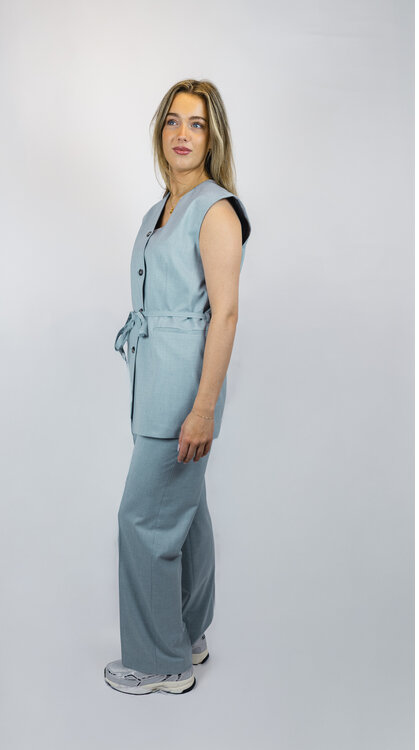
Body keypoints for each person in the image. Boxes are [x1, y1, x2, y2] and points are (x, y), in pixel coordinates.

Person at [104, 79, 252, 695]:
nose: (182, 134)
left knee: (142, 518)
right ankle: (187, 635)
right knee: (184, 515)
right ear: (160, 132)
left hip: (184, 391)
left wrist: (203, 409)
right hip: (155, 382)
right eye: (173, 121)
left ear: (212, 137)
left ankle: (159, 663)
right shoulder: (161, 207)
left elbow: (226, 314)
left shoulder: (215, 210)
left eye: (196, 123)